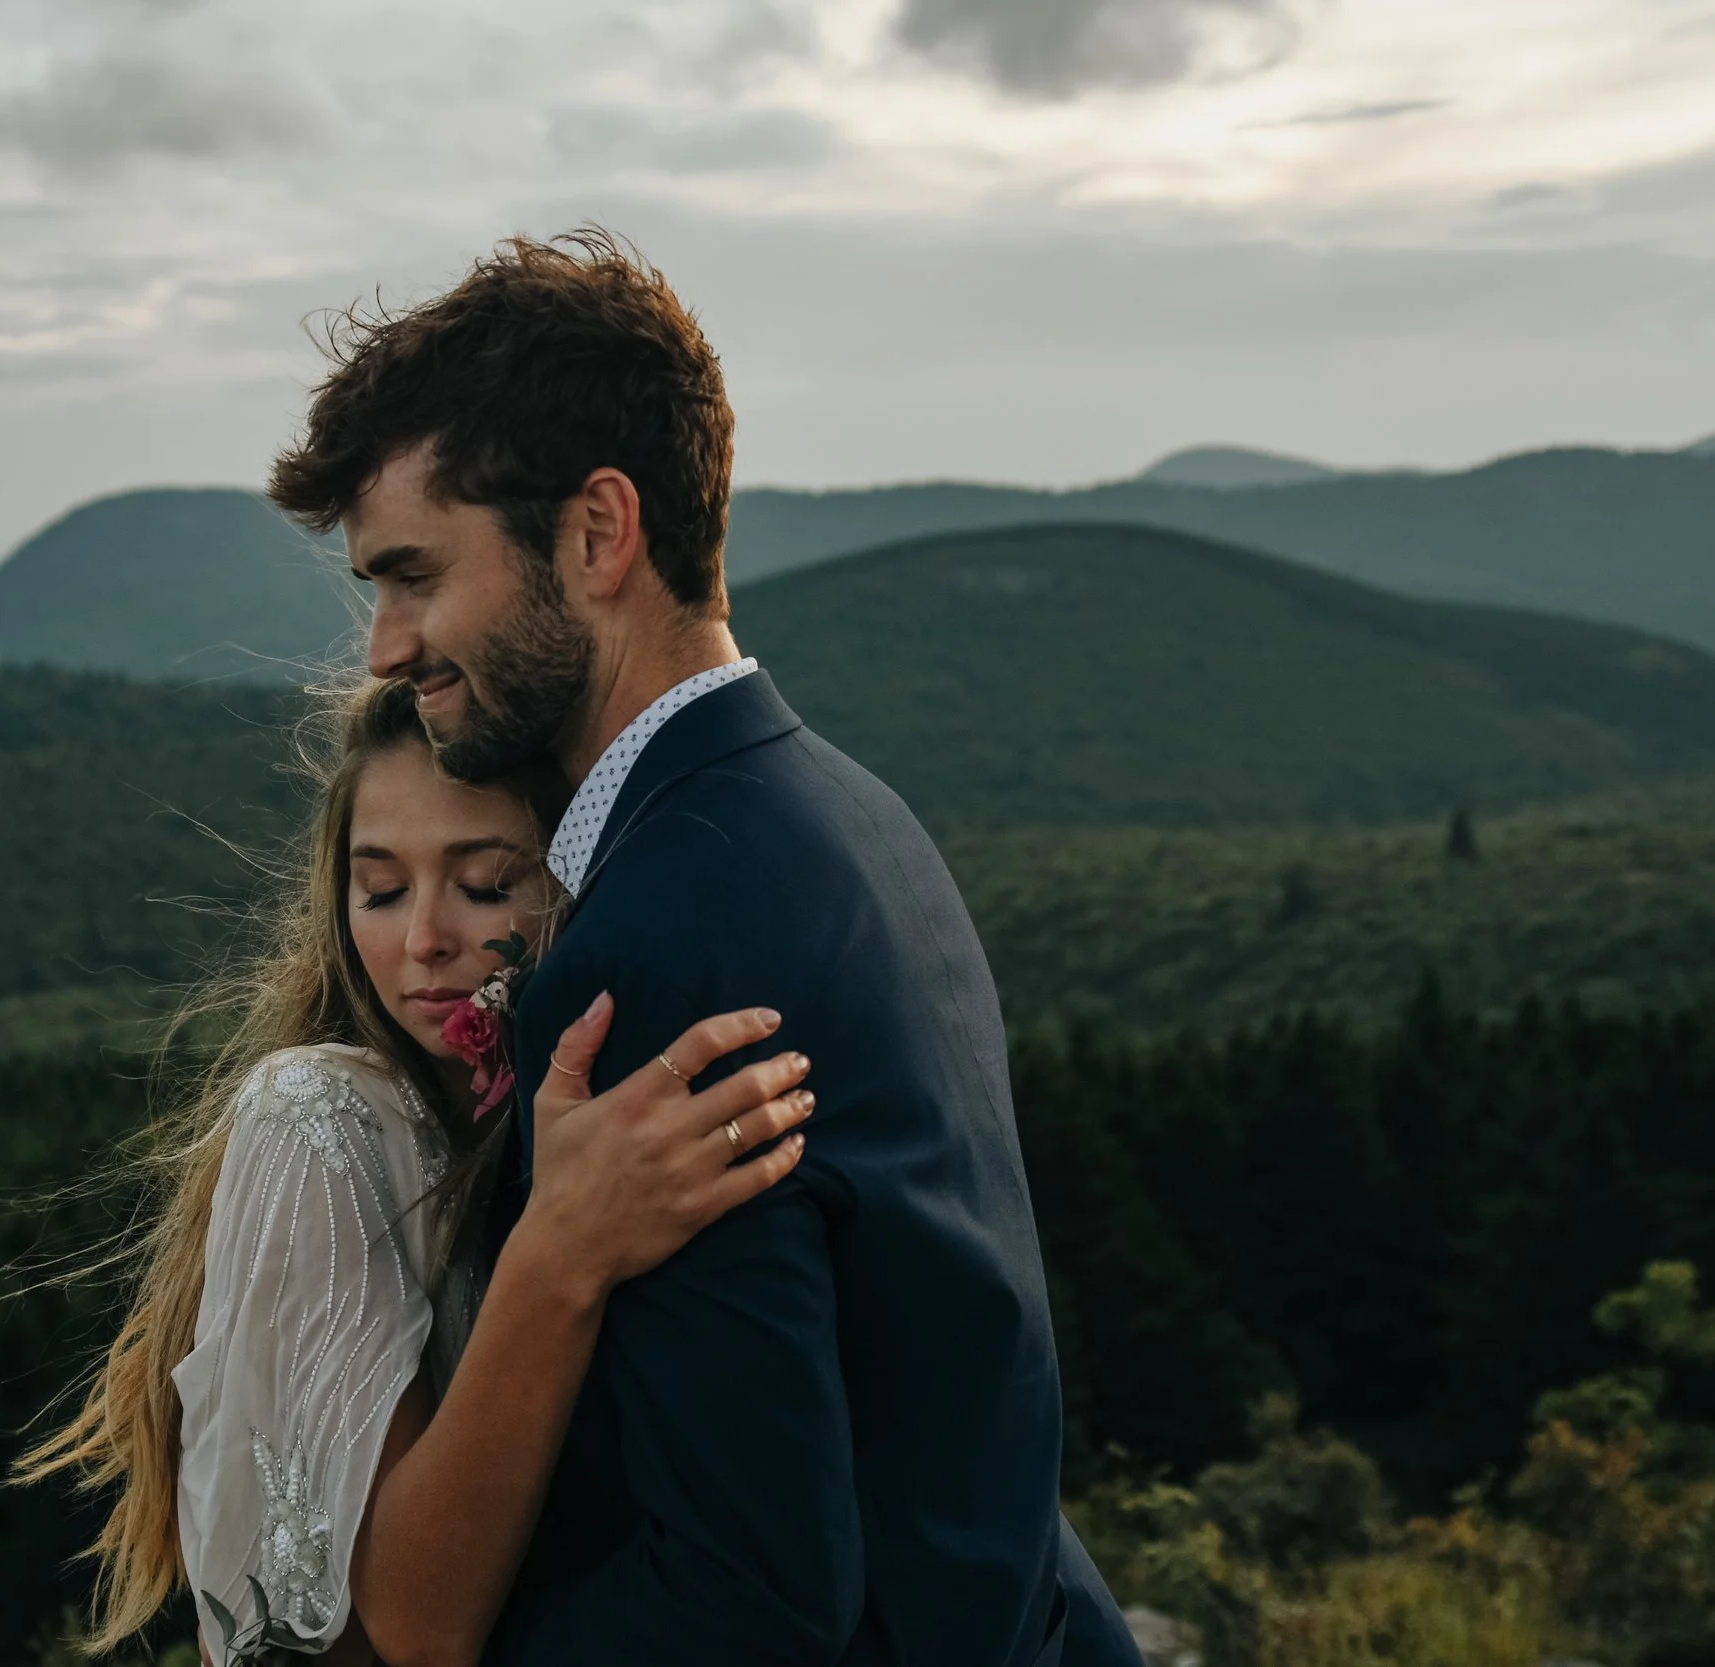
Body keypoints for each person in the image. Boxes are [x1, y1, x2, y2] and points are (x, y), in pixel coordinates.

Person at [268, 232, 1142, 1665]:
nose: (384, 644)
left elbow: (748, 1592)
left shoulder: (654, 949)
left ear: (598, 533)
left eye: (414, 574)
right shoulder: (854, 812)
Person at [20, 678, 819, 1666]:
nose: (424, 937)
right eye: (381, 888)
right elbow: (421, 1630)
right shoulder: (318, 1110)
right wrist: (561, 1252)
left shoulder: (514, 1126)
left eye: (485, 883)